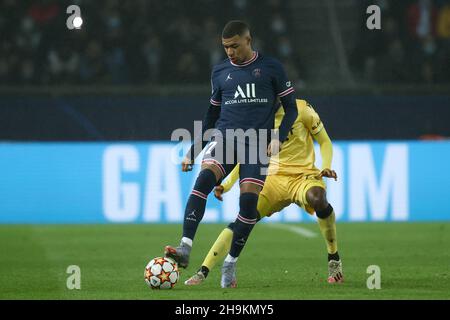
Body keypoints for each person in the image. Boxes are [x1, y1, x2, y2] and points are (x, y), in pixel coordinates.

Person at [164, 20, 298, 288]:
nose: (230, 52)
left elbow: (291, 109)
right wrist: (193, 150)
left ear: (248, 41)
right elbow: (211, 115)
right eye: (226, 47)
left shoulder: (271, 68)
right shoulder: (220, 72)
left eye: (235, 46)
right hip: (225, 139)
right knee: (203, 181)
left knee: (248, 206)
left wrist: (277, 137)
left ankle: (230, 263)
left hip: (258, 143)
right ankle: (185, 248)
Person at [184, 99, 344, 286]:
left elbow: (324, 141)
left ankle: (333, 257)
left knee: (318, 199)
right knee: (243, 219)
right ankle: (203, 271)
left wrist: (326, 166)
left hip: (303, 176)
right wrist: (226, 185)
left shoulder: (301, 109)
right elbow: (248, 155)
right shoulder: (257, 117)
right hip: (271, 179)